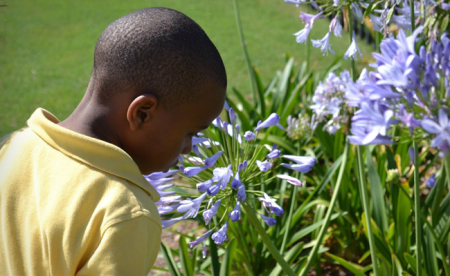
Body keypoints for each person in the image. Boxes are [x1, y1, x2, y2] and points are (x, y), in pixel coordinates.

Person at [0, 7, 226, 275]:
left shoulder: (11, 147)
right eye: (190, 133)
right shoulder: (126, 214)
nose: (189, 148)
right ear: (142, 113)